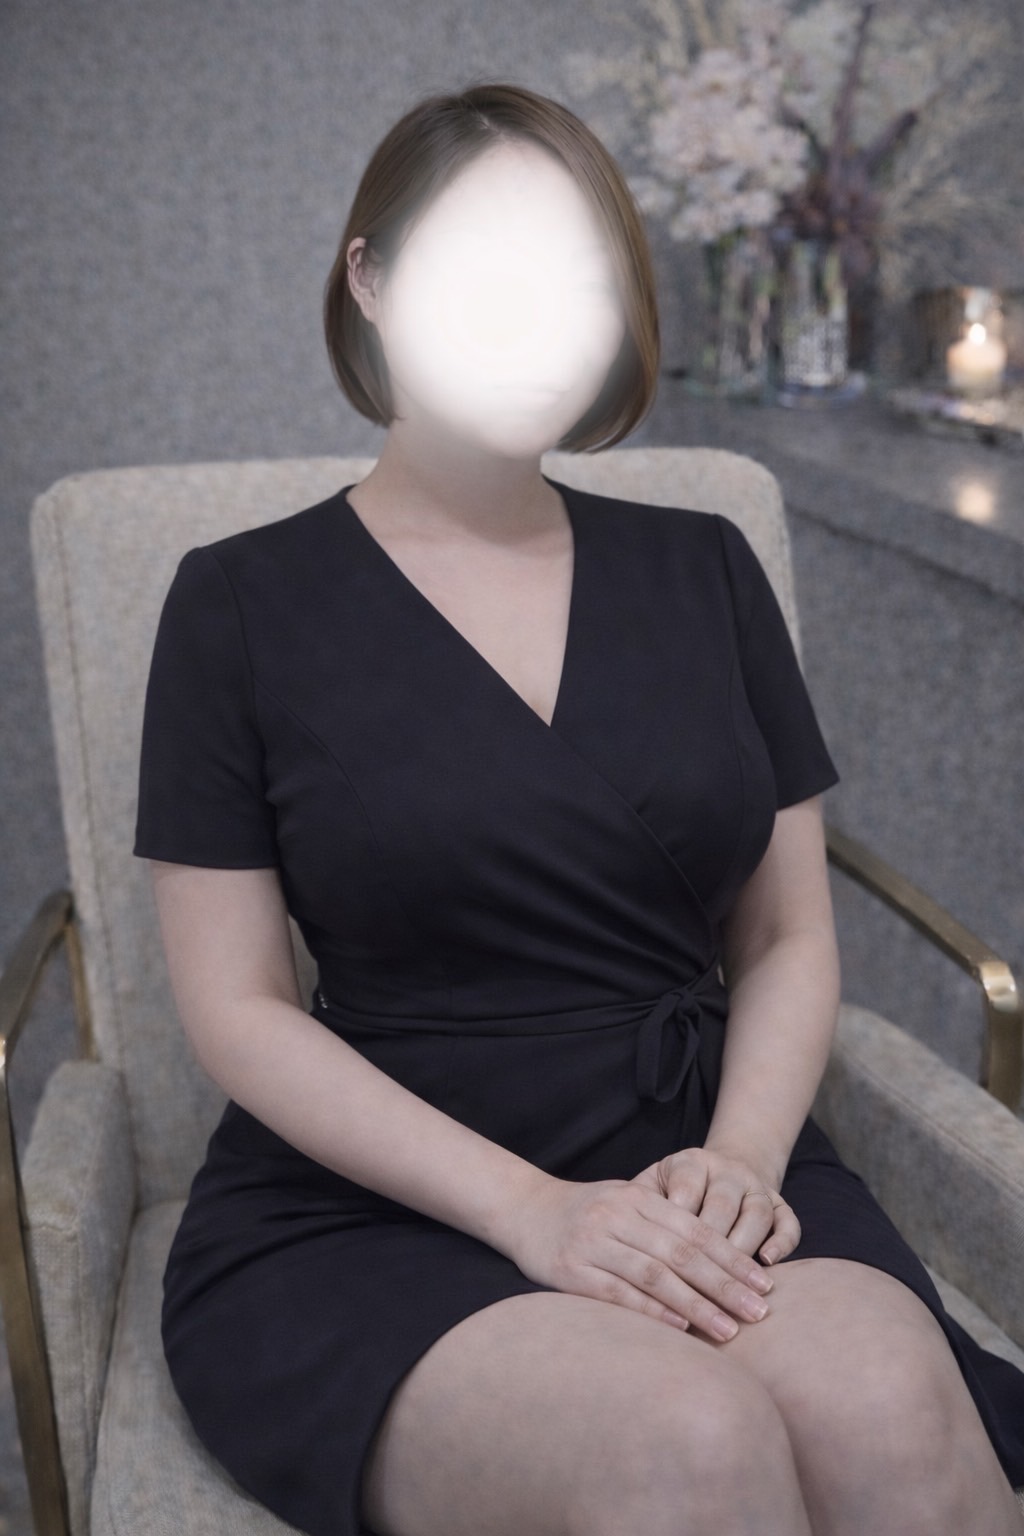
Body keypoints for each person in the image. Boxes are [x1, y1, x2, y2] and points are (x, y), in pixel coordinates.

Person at [133, 80, 1024, 1536]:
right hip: (383, 1201)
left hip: (703, 1151)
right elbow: (237, 1010)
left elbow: (787, 936)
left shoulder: (706, 566)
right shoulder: (236, 603)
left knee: (893, 1415)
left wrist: (741, 1160)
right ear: (371, 280)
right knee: (687, 1444)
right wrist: (533, 1212)